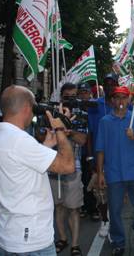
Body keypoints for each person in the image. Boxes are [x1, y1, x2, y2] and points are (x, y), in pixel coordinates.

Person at [0, 85, 75, 255]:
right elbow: (68, 166)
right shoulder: (20, 141)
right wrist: (60, 129)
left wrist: (46, 146)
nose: (34, 113)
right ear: (27, 108)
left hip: (7, 234)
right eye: (34, 107)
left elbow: (20, 165)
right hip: (30, 241)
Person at [96, 86, 134, 256]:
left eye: (124, 98)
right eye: (117, 98)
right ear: (112, 100)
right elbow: (100, 149)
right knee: (115, 210)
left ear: (129, 100)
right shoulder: (105, 121)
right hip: (113, 173)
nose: (120, 101)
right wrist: (100, 173)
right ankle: (118, 242)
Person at [49, 83, 88, 255]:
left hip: (73, 167)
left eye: (73, 96)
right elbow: (40, 135)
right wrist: (56, 129)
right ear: (61, 96)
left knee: (73, 208)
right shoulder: (51, 113)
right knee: (58, 207)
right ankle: (62, 238)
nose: (70, 100)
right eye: (67, 96)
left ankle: (75, 244)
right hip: (53, 167)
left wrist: (68, 132)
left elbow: (83, 140)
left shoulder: (81, 114)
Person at [86, 73, 119, 221]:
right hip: (100, 155)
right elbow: (90, 134)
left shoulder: (124, 104)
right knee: (101, 193)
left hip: (118, 155)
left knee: (117, 192)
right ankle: (105, 220)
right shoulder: (95, 105)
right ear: (103, 87)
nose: (110, 87)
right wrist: (91, 157)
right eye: (107, 84)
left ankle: (114, 220)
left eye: (113, 84)